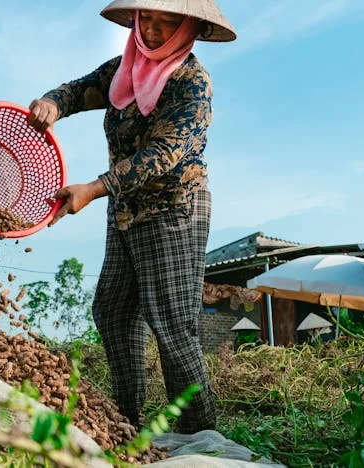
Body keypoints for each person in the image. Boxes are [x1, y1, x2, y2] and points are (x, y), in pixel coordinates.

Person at [26, 0, 236, 434]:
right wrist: (51, 103)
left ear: (189, 28)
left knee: (173, 325)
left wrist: (94, 188)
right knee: (113, 312)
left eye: (167, 23)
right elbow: (80, 88)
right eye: (148, 21)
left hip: (174, 210)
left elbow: (159, 156)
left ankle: (199, 434)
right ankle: (125, 420)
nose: (154, 32)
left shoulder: (191, 85)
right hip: (124, 209)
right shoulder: (126, 68)